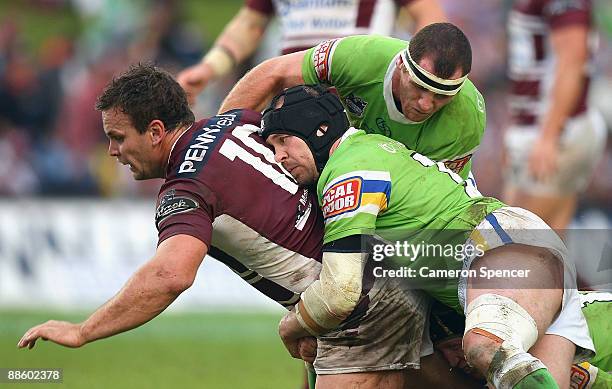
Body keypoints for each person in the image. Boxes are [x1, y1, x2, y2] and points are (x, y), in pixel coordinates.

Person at [17, 64, 458, 389]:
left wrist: (83, 331)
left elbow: (170, 275)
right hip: (387, 266)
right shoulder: (238, 121)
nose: (113, 151)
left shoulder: (185, 190)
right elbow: (270, 77)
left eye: (118, 137)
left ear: (154, 131)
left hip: (355, 303)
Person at [261, 84, 595, 389]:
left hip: (497, 247)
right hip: (518, 244)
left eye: (283, 140)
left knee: (485, 346)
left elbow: (340, 291)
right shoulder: (372, 148)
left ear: (318, 130)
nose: (278, 157)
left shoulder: (347, 169)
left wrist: (290, 327)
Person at [219, 22, 485, 180]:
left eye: (442, 95)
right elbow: (272, 73)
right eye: (419, 87)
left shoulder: (468, 116)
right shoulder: (360, 57)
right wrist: (217, 138)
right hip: (348, 154)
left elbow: (427, 196)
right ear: (402, 66)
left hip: (418, 178)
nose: (426, 104)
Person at [177, 0, 447, 104]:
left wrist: (414, 81)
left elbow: (429, 17)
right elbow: (250, 24)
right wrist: (209, 68)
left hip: (360, 102)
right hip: (291, 99)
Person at [503, 0, 607, 233]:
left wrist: (549, 135)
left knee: (516, 245)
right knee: (548, 248)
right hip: (543, 128)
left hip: (555, 130)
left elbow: (572, 62)